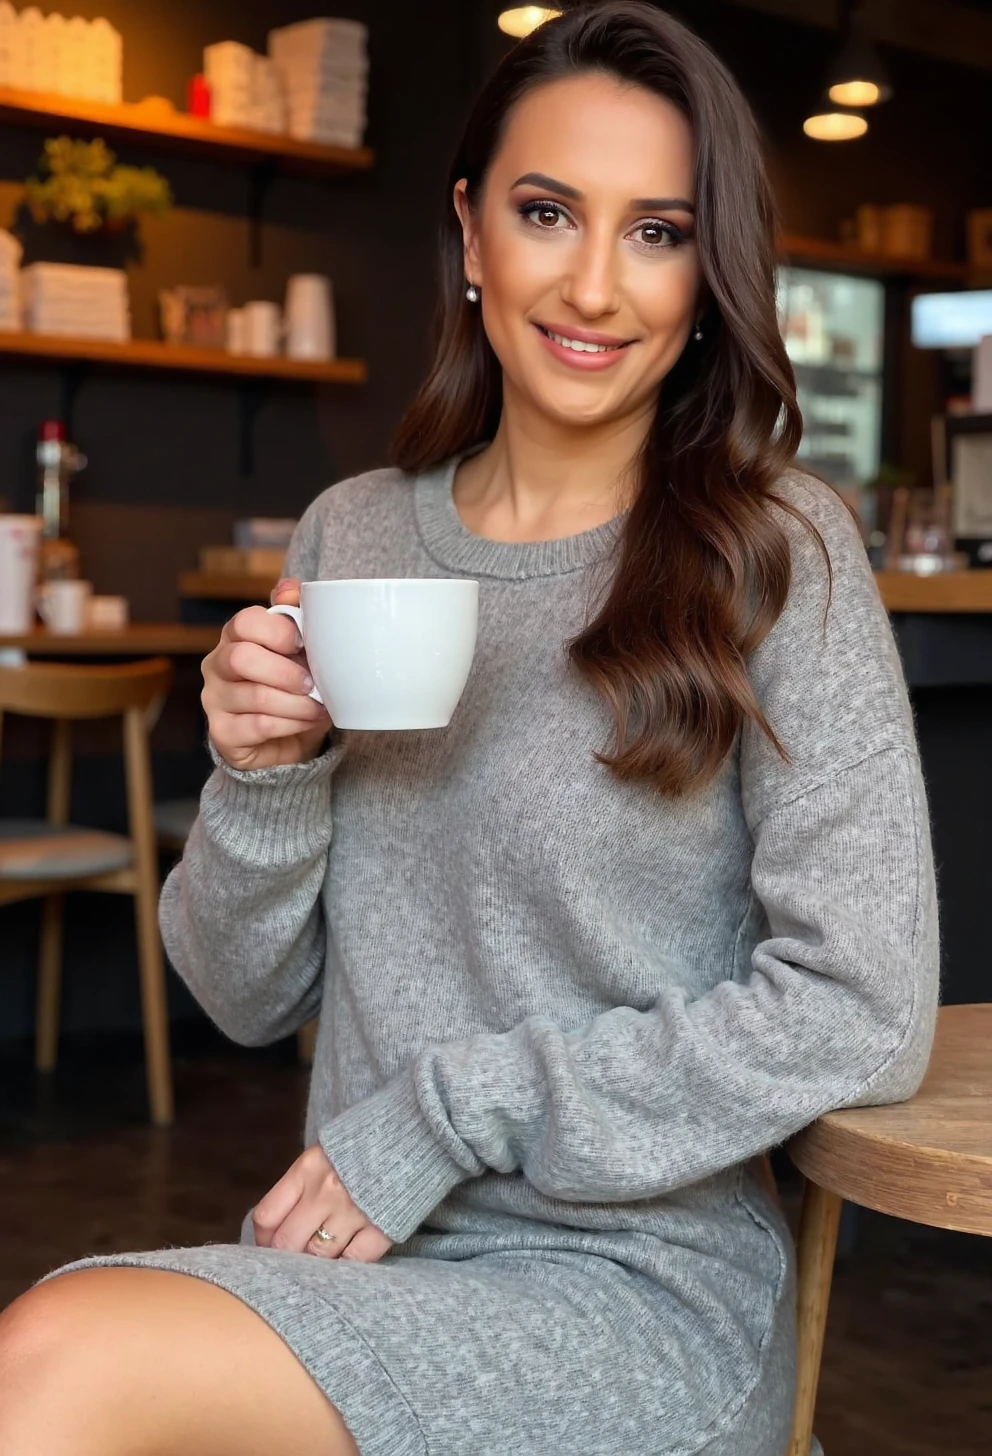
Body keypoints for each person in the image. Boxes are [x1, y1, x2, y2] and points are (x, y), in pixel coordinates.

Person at [0, 4, 939, 1454]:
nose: (593, 283)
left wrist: (445, 1115)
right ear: (471, 230)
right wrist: (260, 776)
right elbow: (245, 999)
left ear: (709, 270)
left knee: (56, 1360)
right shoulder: (354, 531)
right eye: (548, 211)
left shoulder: (778, 554)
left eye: (658, 230)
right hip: (372, 1260)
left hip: (638, 1289)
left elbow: (863, 1007)